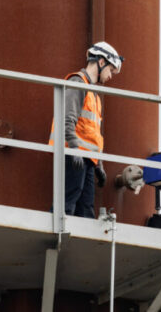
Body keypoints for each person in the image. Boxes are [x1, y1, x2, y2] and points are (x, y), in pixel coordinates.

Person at [48, 42, 124, 218]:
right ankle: (59, 235)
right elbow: (67, 118)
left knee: (86, 208)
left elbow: (93, 135)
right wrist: (74, 148)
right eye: (111, 70)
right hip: (73, 153)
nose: (111, 76)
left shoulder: (94, 95)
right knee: (68, 200)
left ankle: (81, 244)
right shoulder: (78, 83)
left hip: (87, 159)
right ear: (101, 62)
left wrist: (99, 165)